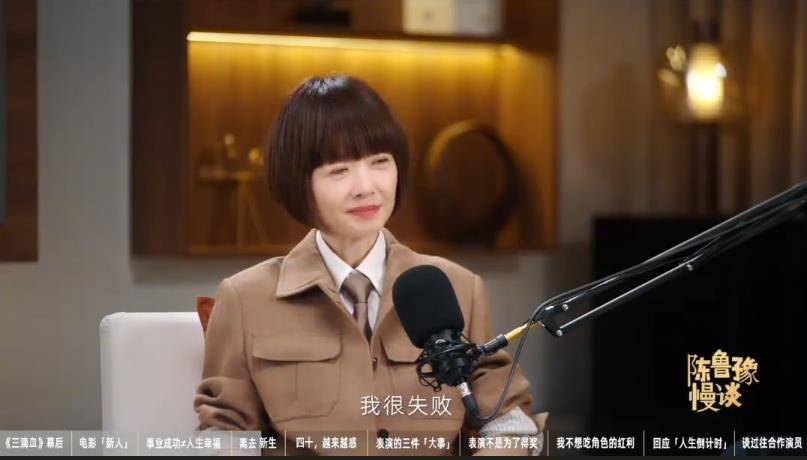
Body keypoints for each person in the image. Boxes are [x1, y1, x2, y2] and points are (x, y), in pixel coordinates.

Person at [193, 74, 537, 456]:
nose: (366, 187)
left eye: (379, 162)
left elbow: (509, 419)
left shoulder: (457, 287)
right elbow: (225, 433)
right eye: (339, 170)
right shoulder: (245, 298)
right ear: (298, 182)